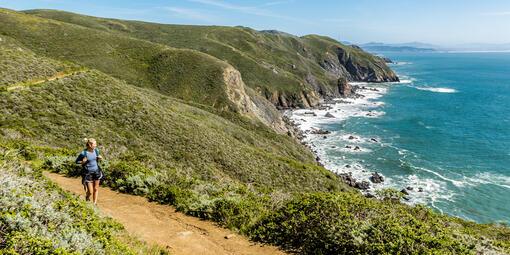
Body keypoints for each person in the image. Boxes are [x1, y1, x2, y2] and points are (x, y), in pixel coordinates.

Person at [75, 138, 103, 204]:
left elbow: (95, 159)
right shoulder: (83, 153)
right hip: (88, 173)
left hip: (96, 172)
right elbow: (76, 161)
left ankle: (94, 203)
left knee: (95, 189)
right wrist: (82, 162)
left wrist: (99, 158)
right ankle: (87, 198)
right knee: (90, 191)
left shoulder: (96, 151)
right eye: (94, 144)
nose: (96, 145)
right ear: (90, 145)